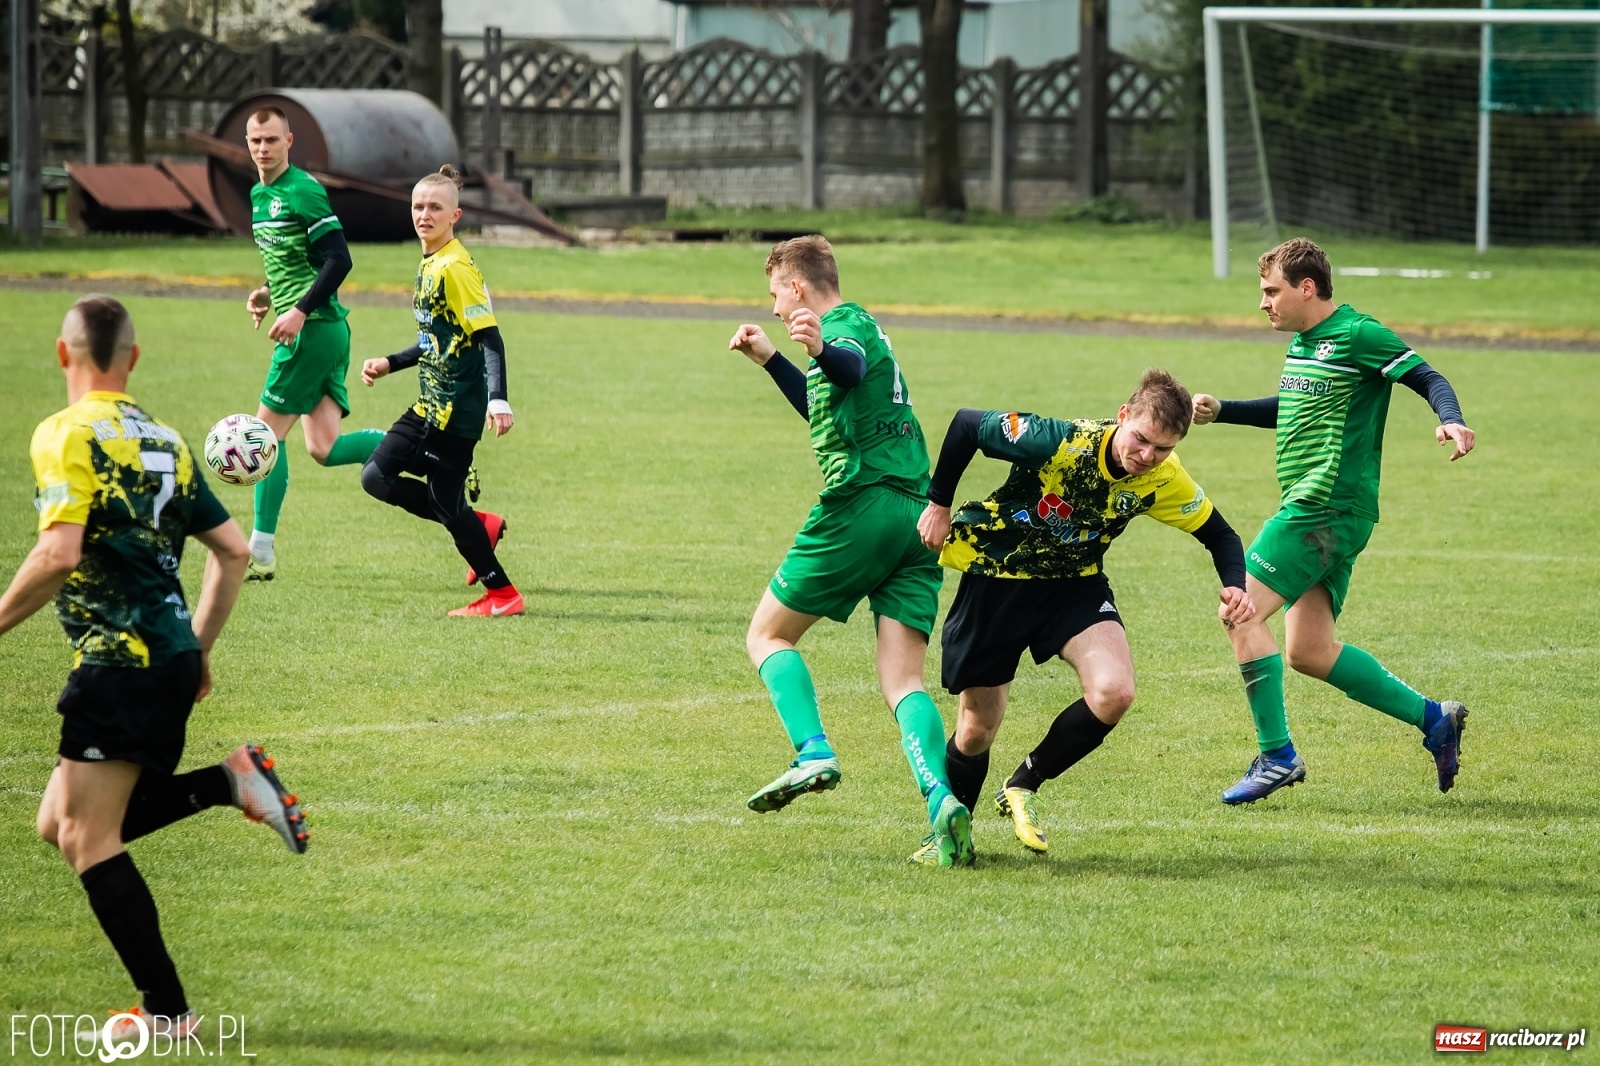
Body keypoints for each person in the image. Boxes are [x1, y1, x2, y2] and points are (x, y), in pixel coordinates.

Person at [1, 296, 308, 1037]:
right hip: (168, 657)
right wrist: (195, 653)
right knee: (60, 823)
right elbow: (233, 551)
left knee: (87, 838)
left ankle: (169, 1012)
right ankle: (226, 782)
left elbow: (59, 553)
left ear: (62, 353)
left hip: (118, 662)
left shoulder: (63, 433)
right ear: (132, 358)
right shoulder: (164, 437)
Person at [917, 370, 1253, 853]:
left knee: (1114, 692)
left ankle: (1022, 785)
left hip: (1074, 586)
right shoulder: (1060, 442)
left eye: (1162, 448)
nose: (1146, 457)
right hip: (998, 579)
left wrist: (1235, 586)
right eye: (1140, 440)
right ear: (1123, 417)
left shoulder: (1162, 478)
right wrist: (939, 503)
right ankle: (950, 838)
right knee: (975, 731)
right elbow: (968, 423)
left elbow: (1220, 534)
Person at [1190, 237, 1476, 805]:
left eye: (1271, 291)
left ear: (1306, 287)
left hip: (1322, 508)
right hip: (1328, 512)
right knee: (1308, 651)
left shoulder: (1359, 334)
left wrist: (1452, 420)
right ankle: (1434, 719)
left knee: (1239, 611)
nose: (1264, 303)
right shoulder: (1305, 343)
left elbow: (1429, 377)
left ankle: (1278, 756)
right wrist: (1225, 411)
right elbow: (1290, 407)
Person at [728, 236, 969, 867]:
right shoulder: (852, 329)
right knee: (903, 680)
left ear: (798, 285)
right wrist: (774, 359)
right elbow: (829, 398)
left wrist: (821, 347)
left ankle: (812, 750)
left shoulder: (845, 326)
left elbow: (848, 368)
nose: (776, 307)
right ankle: (941, 799)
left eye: (776, 293)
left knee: (767, 637)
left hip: (864, 506)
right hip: (919, 518)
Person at [360, 165, 520, 617]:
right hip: (431, 402)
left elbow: (490, 336)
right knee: (380, 478)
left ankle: (503, 595)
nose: (424, 214)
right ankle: (479, 526)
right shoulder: (431, 261)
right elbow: (440, 338)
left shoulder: (455, 268)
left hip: (454, 411)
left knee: (438, 501)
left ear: (455, 215)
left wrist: (499, 399)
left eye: (434, 207)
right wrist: (391, 362)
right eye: (418, 206)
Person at [241, 106, 386, 581]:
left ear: (289, 141)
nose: (262, 148)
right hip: (321, 329)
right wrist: (269, 293)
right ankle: (406, 446)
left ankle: (260, 551)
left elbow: (339, 260)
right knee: (323, 447)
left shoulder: (303, 190)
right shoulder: (259, 195)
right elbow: (291, 259)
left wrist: (298, 310)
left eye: (271, 140)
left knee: (263, 438)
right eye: (255, 140)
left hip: (313, 328)